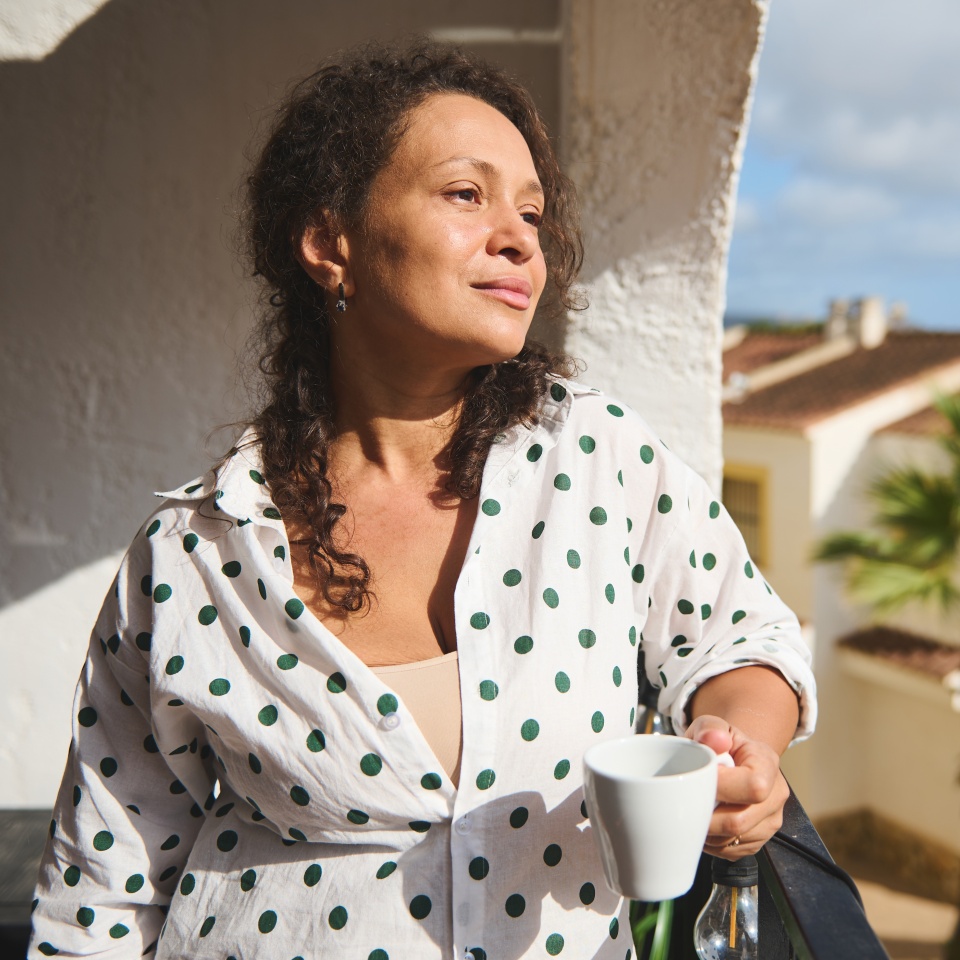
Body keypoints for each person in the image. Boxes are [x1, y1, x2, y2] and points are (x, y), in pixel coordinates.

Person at [28, 41, 815, 960]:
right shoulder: (194, 553)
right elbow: (100, 902)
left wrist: (738, 747)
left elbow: (740, 639)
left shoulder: (601, 462)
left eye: (531, 209)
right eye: (465, 194)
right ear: (330, 243)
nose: (522, 236)